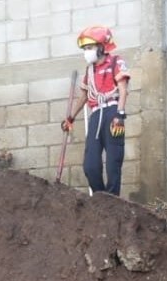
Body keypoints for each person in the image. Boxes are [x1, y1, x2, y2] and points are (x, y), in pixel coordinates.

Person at [61, 26, 131, 196]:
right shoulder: (89, 70)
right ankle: (101, 197)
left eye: (90, 48)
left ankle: (113, 198)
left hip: (113, 112)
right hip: (96, 114)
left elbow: (123, 90)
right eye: (85, 49)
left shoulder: (116, 62)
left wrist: (120, 114)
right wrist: (70, 117)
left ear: (101, 47)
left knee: (113, 160)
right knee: (90, 164)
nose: (87, 52)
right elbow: (84, 96)